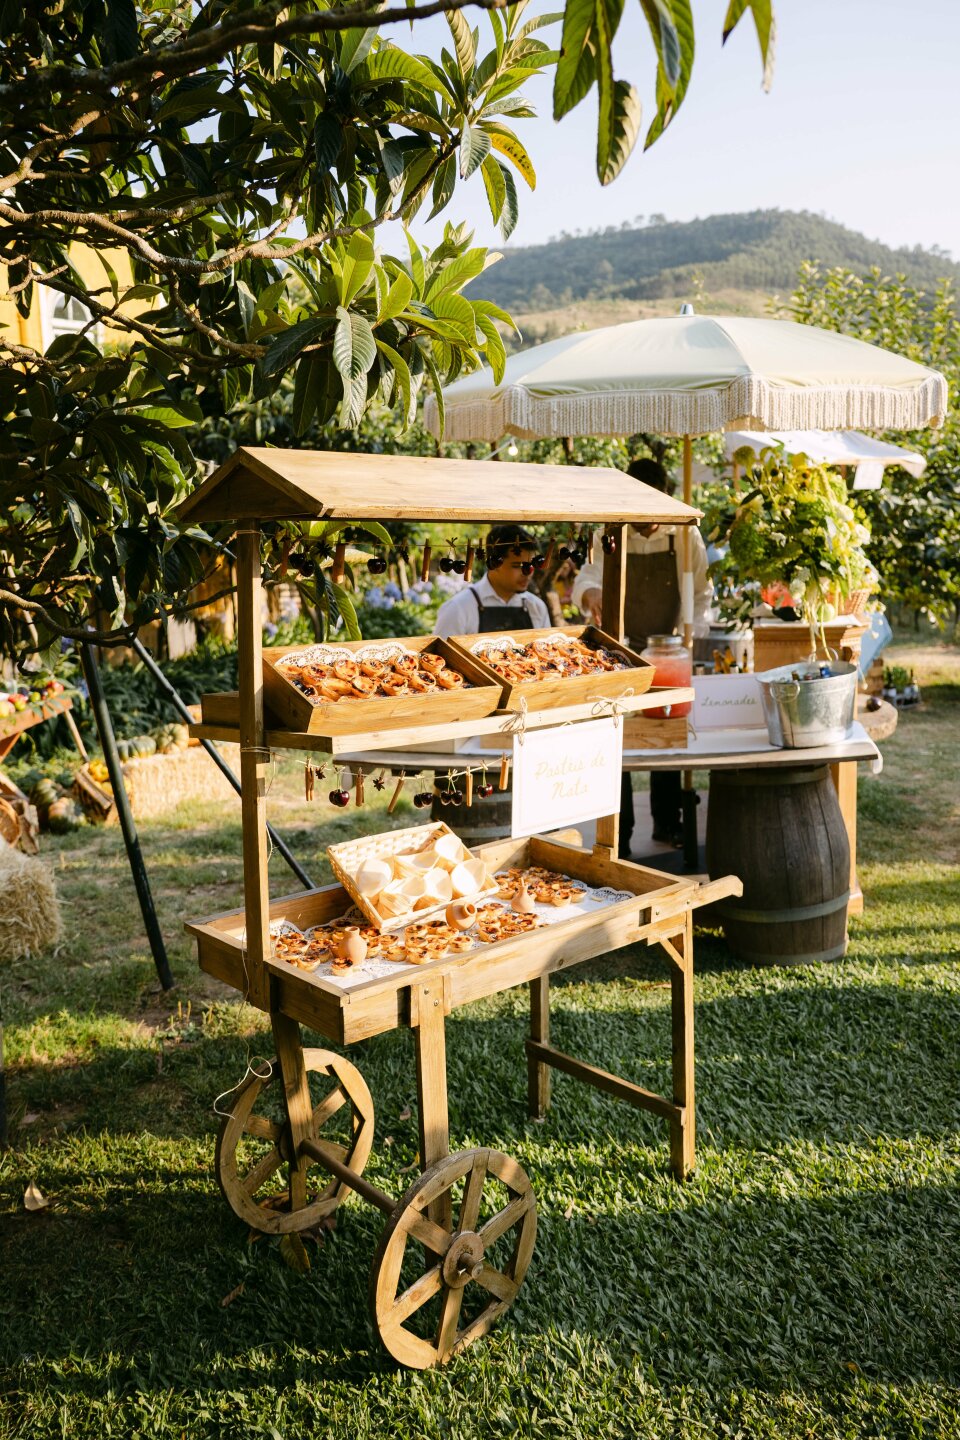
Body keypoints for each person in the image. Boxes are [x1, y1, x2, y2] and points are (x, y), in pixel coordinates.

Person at [570, 457, 713, 856]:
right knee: (618, 739)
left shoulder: (685, 536)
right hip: (618, 651)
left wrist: (691, 638)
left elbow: (702, 594)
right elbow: (586, 578)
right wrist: (591, 594)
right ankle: (622, 833)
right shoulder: (609, 533)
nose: (645, 522)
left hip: (669, 651)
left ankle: (669, 822)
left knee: (665, 736)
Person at [434, 524, 552, 637]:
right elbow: (440, 656)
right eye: (517, 566)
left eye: (531, 565)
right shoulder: (458, 608)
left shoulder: (537, 607)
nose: (528, 572)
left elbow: (547, 653)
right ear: (494, 563)